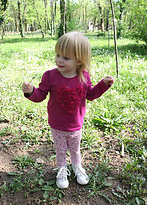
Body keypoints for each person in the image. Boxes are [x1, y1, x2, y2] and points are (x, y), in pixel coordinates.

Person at [22, 31, 114, 189]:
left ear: (79, 60)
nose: (59, 60)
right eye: (58, 55)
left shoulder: (83, 77)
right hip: (57, 124)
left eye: (66, 57)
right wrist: (30, 91)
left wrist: (103, 85)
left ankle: (77, 167)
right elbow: (40, 96)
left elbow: (90, 95)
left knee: (75, 149)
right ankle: (62, 168)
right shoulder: (50, 76)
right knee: (61, 149)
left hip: (76, 124)